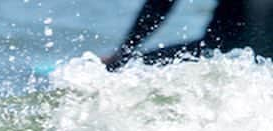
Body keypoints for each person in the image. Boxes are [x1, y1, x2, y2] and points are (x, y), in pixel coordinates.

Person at [103, 0, 273, 69]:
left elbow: (160, 4)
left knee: (120, 69)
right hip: (259, 61)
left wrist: (124, 53)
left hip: (220, 53)